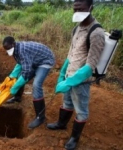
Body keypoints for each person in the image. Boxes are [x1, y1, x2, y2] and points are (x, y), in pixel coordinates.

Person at [46, 0, 105, 149]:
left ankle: (74, 138)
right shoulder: (77, 28)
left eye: (81, 8)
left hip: (81, 80)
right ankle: (61, 124)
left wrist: (70, 81)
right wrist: (62, 74)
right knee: (67, 102)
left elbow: (91, 65)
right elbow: (71, 54)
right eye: (75, 9)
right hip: (69, 75)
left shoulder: (96, 33)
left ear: (91, 8)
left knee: (81, 110)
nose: (77, 12)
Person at [3, 36, 55, 129]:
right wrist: (11, 76)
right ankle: (17, 97)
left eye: (9, 49)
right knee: (19, 77)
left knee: (36, 85)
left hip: (44, 61)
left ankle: (40, 117)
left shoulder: (22, 51)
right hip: (34, 60)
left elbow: (26, 72)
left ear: (13, 44)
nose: (9, 51)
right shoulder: (15, 50)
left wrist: (14, 87)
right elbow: (20, 64)